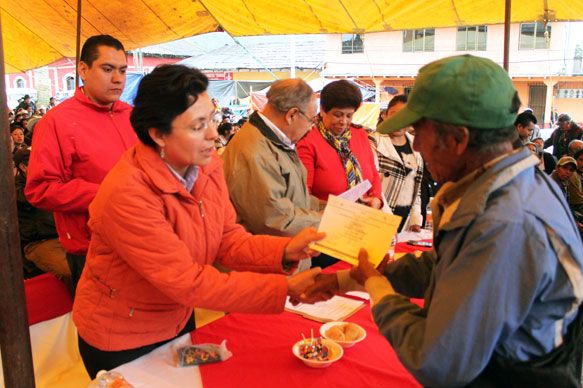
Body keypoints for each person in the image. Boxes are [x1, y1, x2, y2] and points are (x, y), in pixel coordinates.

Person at [307, 55, 583, 386]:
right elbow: (451, 265)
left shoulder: (506, 221)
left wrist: (378, 288)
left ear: (458, 139)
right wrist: (353, 279)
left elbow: (438, 360)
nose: (417, 146)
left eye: (419, 133)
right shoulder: (502, 184)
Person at [72, 64, 325, 377]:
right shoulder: (127, 194)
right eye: (197, 125)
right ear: (158, 134)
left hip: (177, 318)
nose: (213, 134)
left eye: (213, 119)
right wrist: (283, 288)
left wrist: (283, 251)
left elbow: (227, 238)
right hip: (122, 335)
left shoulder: (206, 165)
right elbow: (188, 282)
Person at [25, 35, 138, 293]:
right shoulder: (57, 122)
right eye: (107, 69)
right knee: (105, 330)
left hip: (141, 242)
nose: (118, 78)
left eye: (122, 70)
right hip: (92, 251)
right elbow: (40, 189)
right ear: (83, 70)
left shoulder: (132, 117)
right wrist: (107, 194)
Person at [222, 79, 322, 271]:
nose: (311, 128)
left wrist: (331, 206)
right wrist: (329, 221)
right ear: (292, 114)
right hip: (265, 268)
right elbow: (275, 221)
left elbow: (294, 197)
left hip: (284, 262)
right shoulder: (254, 150)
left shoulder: (275, 141)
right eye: (311, 120)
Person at [296, 80, 383, 209]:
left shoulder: (360, 135)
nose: (343, 121)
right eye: (337, 115)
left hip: (363, 216)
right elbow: (303, 193)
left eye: (349, 115)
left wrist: (377, 198)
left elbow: (373, 173)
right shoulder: (308, 140)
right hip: (324, 218)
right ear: (323, 110)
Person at [14, 148, 69, 282]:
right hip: (38, 243)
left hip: (62, 237)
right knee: (68, 270)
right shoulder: (16, 189)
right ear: (23, 166)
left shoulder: (48, 181)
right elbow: (29, 198)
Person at [369, 94, 423, 232]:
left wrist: (416, 218)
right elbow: (372, 185)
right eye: (394, 114)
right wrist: (388, 221)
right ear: (384, 115)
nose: (399, 120)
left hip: (405, 224)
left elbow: (416, 187)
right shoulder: (374, 141)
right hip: (378, 218)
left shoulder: (416, 145)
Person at [551, 156, 583, 284]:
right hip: (556, 223)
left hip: (570, 215)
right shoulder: (552, 184)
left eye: (571, 170)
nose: (568, 172)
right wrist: (574, 223)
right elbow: (555, 211)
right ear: (558, 168)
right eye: (565, 169)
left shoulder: (563, 182)